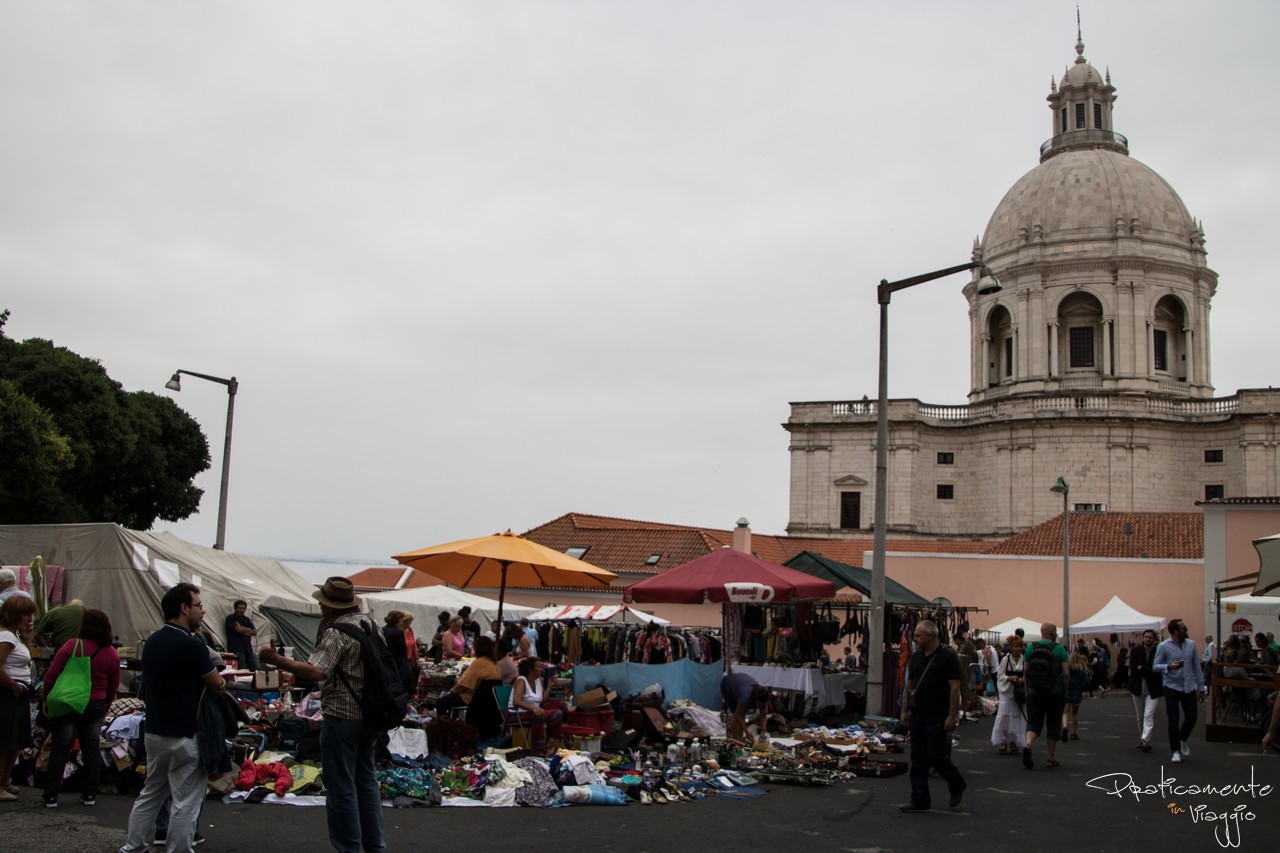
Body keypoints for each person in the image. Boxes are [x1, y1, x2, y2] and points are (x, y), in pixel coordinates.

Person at [259, 577, 384, 853]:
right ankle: (375, 847)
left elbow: (316, 671)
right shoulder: (371, 626)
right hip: (373, 714)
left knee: (341, 787)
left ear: (329, 606)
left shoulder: (336, 632)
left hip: (343, 715)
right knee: (365, 781)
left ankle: (349, 848)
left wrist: (278, 660)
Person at [119, 583, 225, 852]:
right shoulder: (192, 646)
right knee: (186, 800)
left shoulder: (152, 641)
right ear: (184, 607)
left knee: (151, 793)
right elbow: (216, 683)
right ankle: (178, 849)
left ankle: (133, 846)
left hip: (154, 731)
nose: (202, 611)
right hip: (185, 733)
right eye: (199, 605)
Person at [40, 608, 120, 808]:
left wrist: (46, 698)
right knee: (91, 749)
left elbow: (51, 674)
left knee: (61, 748)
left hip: (69, 702)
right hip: (96, 704)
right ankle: (90, 794)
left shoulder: (72, 646)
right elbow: (113, 685)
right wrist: (106, 706)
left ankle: (50, 795)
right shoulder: (111, 653)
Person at [900, 619, 965, 813]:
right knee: (918, 759)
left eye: (919, 635)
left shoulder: (947, 656)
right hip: (918, 714)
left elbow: (955, 687)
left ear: (931, 636)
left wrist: (951, 715)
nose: (916, 638)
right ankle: (919, 799)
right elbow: (909, 685)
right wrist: (905, 710)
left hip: (938, 715)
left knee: (936, 756)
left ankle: (957, 783)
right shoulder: (916, 657)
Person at [1151, 617, 1206, 764]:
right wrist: (1169, 666)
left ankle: (1183, 739)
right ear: (1175, 631)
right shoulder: (1163, 646)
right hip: (1171, 686)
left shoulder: (1191, 645)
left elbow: (1196, 666)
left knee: (1192, 718)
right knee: (1173, 719)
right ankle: (1175, 751)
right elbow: (1155, 666)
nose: (1186, 629)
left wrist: (1201, 687)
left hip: (1188, 686)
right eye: (1183, 628)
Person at [0, 595, 37, 801]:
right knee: (5, 739)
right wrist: (14, 687)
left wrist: (27, 638)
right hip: (8, 692)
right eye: (26, 614)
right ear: (15, 615)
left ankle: (5, 780)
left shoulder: (14, 636)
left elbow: (25, 661)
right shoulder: (5, 638)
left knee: (14, 740)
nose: (30, 618)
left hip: (18, 691)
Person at [1022, 622, 1070, 770]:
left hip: (1034, 691)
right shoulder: (1059, 649)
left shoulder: (1030, 647)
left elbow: (1025, 672)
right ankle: (1050, 758)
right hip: (1054, 693)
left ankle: (1028, 745)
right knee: (1053, 724)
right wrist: (1065, 691)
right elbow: (1066, 673)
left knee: (1034, 723)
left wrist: (1026, 690)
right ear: (1052, 633)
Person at [434, 636, 501, 717]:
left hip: (472, 699)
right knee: (451, 699)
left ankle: (444, 726)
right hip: (489, 700)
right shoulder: (495, 662)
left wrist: (451, 692)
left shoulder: (479, 662)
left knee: (441, 702)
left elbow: (463, 685)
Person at [507, 656, 562, 753]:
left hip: (533, 713)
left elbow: (541, 700)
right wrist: (532, 708)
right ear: (530, 670)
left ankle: (550, 747)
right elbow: (516, 701)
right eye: (538, 667)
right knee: (537, 715)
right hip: (515, 714)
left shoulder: (539, 680)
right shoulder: (521, 680)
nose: (541, 669)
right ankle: (538, 751)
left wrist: (549, 686)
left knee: (557, 714)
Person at [1127, 628, 1163, 752]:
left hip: (1153, 689)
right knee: (1140, 716)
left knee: (1149, 714)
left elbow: (1157, 670)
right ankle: (1143, 738)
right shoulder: (1136, 651)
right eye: (1146, 637)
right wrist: (1148, 669)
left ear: (1154, 639)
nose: (1148, 639)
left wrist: (1143, 668)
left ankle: (1145, 741)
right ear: (1142, 638)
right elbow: (1134, 668)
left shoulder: (1158, 651)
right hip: (1138, 687)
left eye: (1150, 637)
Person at [991, 635, 1027, 754]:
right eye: (1015, 646)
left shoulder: (1024, 660)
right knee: (1004, 716)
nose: (1018, 649)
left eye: (1019, 646)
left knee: (1016, 717)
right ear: (1011, 648)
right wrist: (1009, 678)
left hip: (1019, 692)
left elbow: (1028, 675)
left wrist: (1022, 680)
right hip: (1007, 692)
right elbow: (1000, 676)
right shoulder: (1005, 660)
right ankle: (1003, 741)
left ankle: (1013, 741)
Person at [721, 671, 769, 742]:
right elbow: (738, 715)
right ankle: (735, 741)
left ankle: (740, 739)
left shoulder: (763, 699)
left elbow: (763, 716)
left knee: (742, 714)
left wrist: (762, 732)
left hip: (740, 683)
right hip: (727, 685)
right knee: (736, 715)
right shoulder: (746, 697)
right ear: (755, 700)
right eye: (758, 704)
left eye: (761, 706)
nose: (759, 707)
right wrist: (746, 731)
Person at [381, 610, 414, 695]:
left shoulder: (382, 630)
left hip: (386, 662)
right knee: (404, 682)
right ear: (398, 620)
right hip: (398, 662)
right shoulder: (398, 632)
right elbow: (402, 649)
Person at [1062, 651, 1090, 741]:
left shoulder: (1068, 669)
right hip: (1077, 693)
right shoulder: (1082, 671)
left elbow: (1063, 678)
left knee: (1065, 712)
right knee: (1075, 713)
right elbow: (1087, 683)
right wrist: (1082, 688)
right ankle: (1074, 732)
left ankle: (1065, 727)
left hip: (1068, 692)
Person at [224, 600, 259, 671]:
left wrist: (242, 630)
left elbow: (254, 632)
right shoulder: (231, 618)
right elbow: (239, 629)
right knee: (242, 670)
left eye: (243, 608)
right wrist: (248, 630)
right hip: (237, 649)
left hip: (248, 649)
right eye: (240, 608)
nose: (242, 610)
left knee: (256, 668)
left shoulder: (247, 620)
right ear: (235, 608)